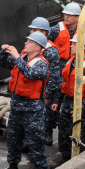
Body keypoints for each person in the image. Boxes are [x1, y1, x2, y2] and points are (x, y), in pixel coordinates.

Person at [0, 31, 49, 169]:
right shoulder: (22, 59)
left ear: (38, 47)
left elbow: (30, 74)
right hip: (16, 107)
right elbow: (1, 62)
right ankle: (12, 167)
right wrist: (4, 51)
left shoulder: (42, 64)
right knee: (13, 139)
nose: (26, 43)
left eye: (30, 42)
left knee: (35, 141)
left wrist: (17, 57)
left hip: (32, 110)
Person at [51, 34, 85, 162]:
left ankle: (84, 159)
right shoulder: (70, 62)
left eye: (74, 44)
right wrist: (57, 101)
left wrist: (81, 108)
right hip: (68, 103)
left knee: (83, 133)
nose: (71, 46)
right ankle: (66, 157)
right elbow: (64, 83)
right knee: (64, 132)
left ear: (83, 47)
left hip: (82, 105)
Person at [27, 17, 62, 146]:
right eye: (31, 30)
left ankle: (47, 131)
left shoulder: (51, 51)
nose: (31, 32)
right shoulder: (31, 47)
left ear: (44, 32)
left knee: (48, 114)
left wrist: (47, 95)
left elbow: (54, 76)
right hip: (33, 88)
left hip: (45, 89)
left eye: (34, 30)